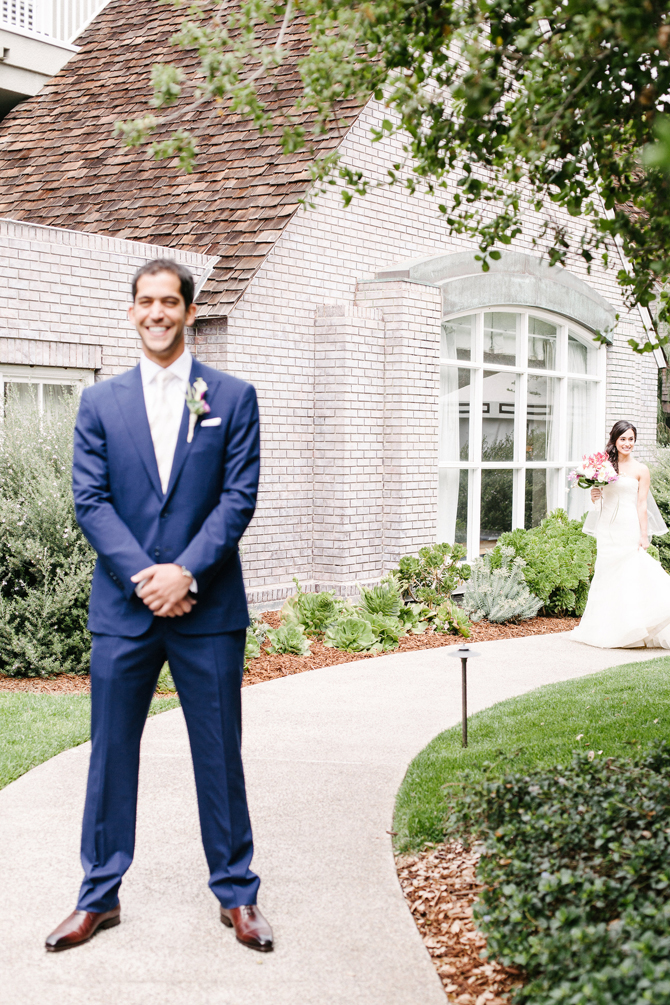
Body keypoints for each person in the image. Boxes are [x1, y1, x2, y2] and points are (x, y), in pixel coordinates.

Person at [45, 259, 273, 953]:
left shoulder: (232, 397)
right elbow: (90, 500)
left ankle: (237, 893)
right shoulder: (99, 403)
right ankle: (98, 895)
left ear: (189, 311)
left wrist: (187, 573)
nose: (157, 313)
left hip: (209, 609)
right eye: (145, 302)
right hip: (124, 608)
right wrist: (148, 576)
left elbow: (238, 497)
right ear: (131, 311)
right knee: (111, 753)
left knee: (219, 754)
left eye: (169, 302)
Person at [571, 419, 670, 649]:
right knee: (606, 574)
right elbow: (598, 496)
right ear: (614, 440)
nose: (627, 443)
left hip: (628, 526)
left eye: (631, 439)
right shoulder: (603, 466)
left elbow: (642, 504)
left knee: (631, 573)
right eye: (623, 439)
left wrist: (644, 535)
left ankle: (633, 627)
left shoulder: (641, 470)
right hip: (607, 527)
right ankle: (607, 629)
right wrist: (594, 494)